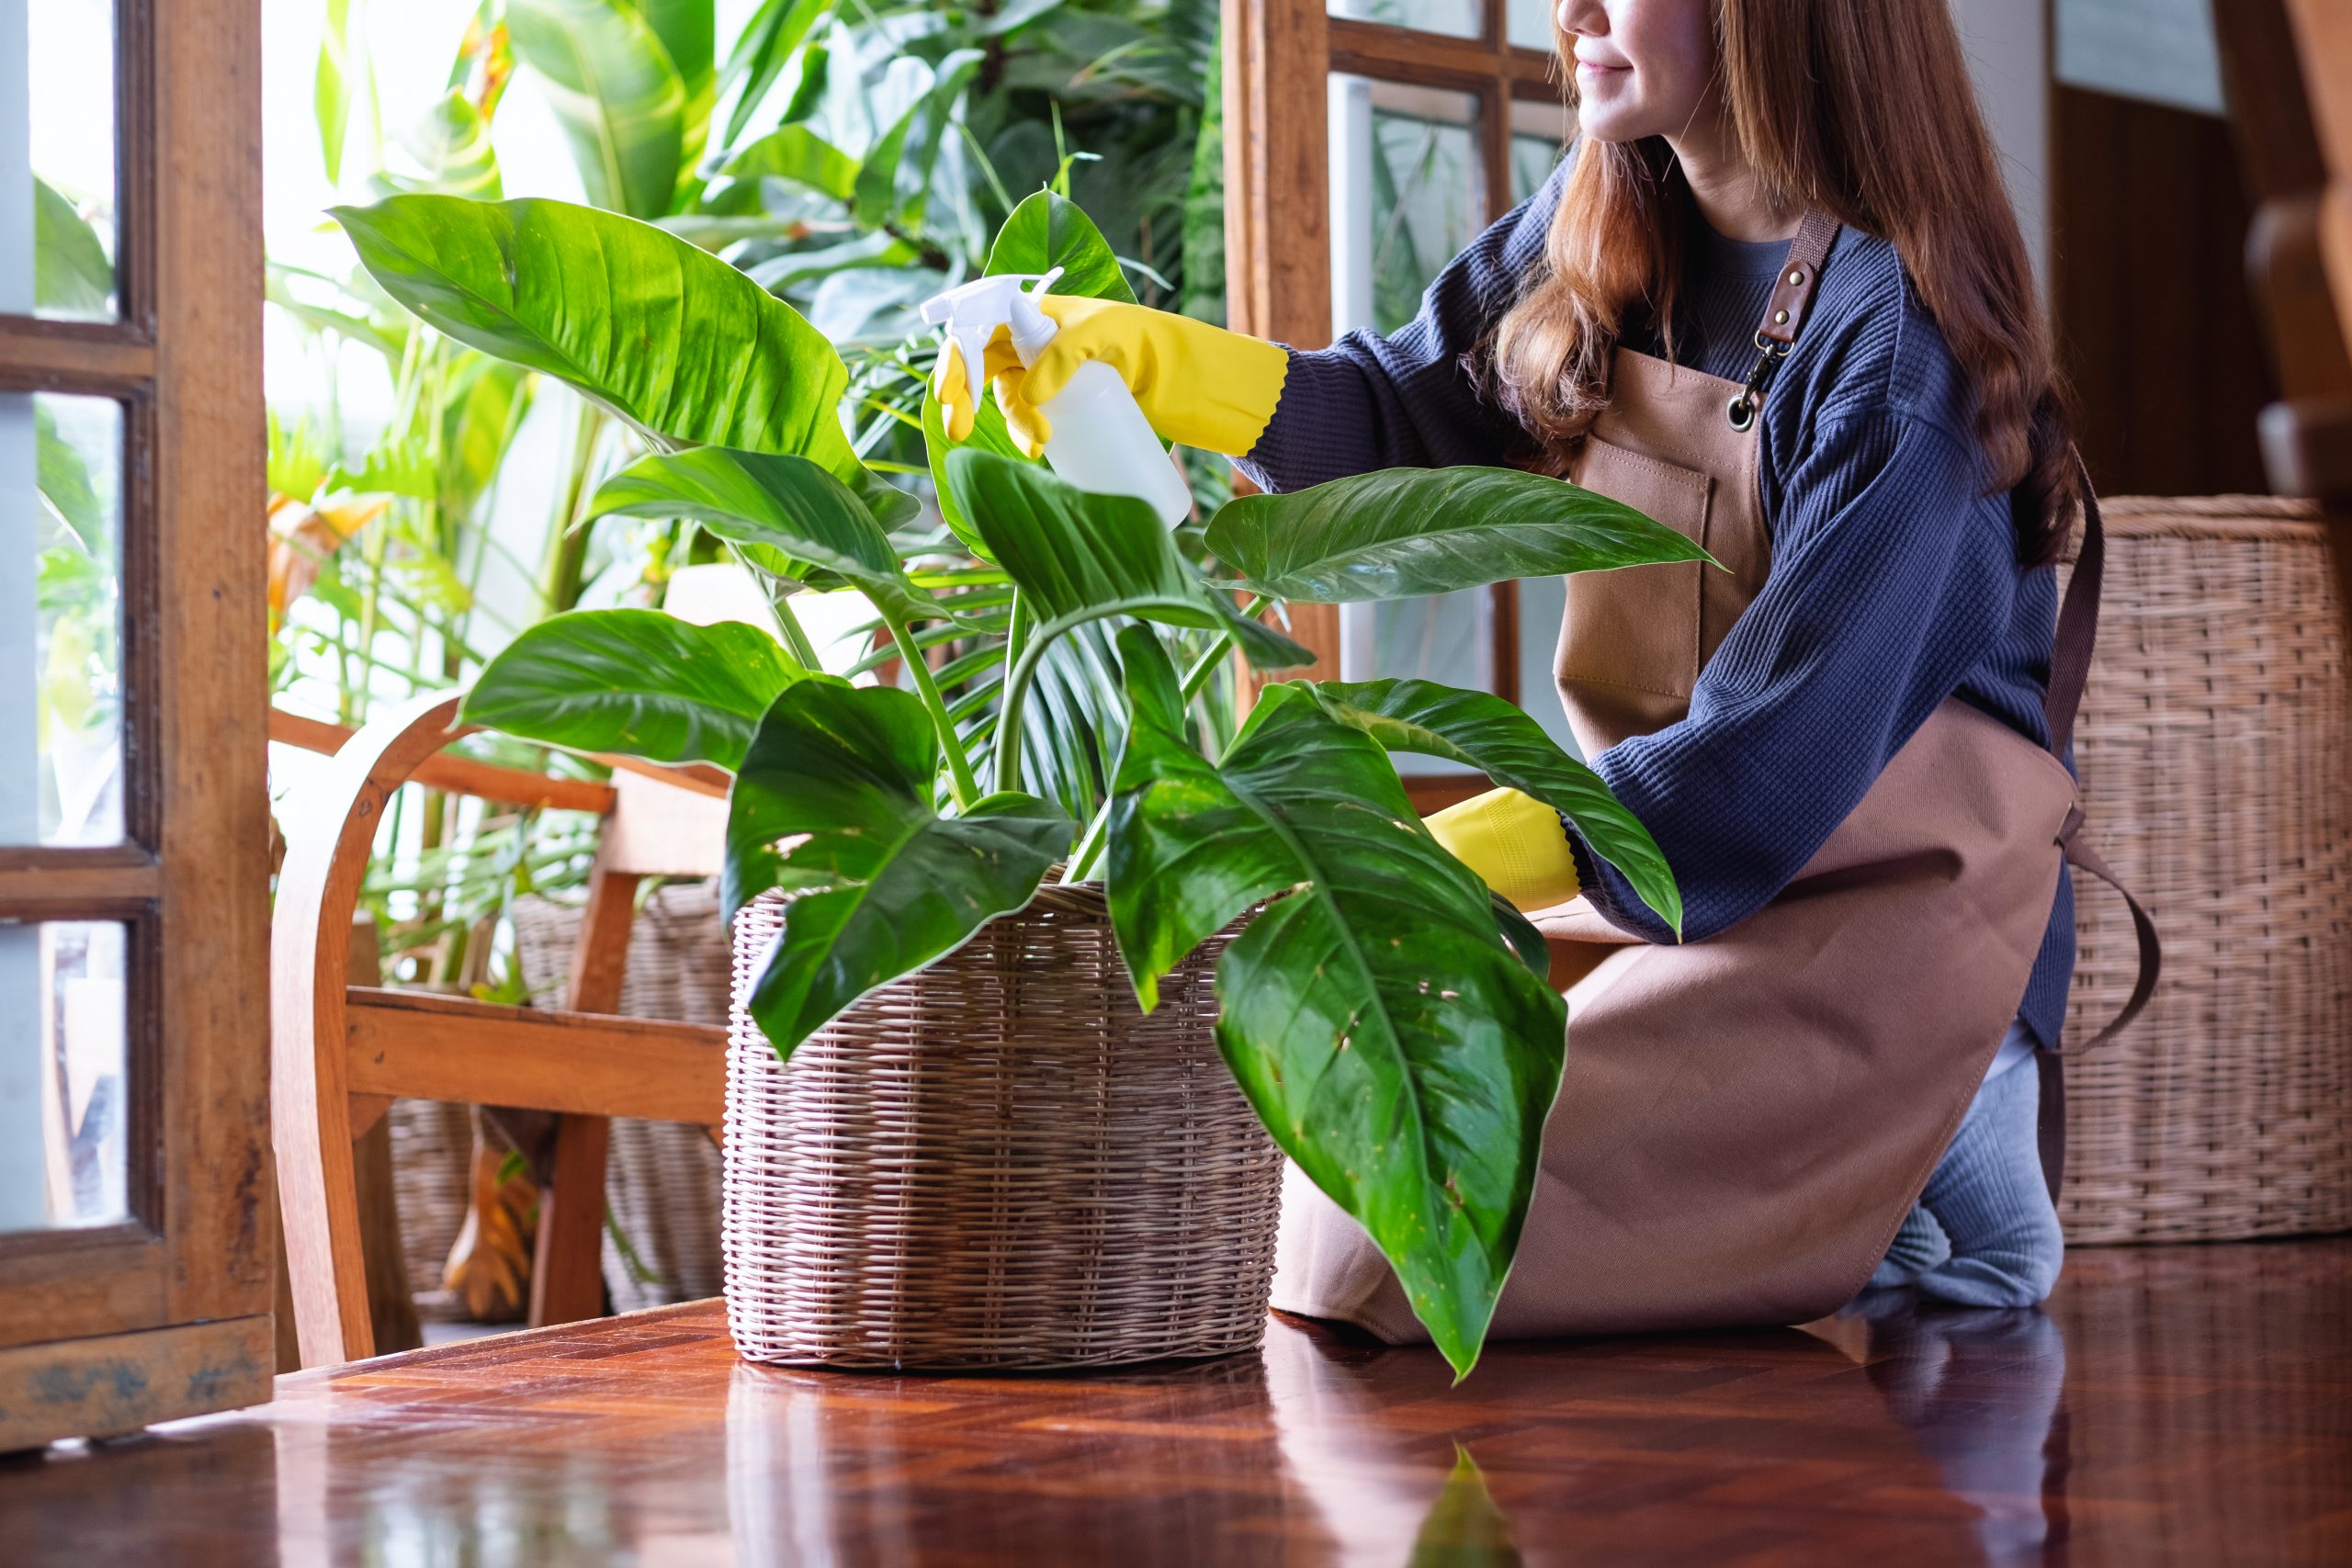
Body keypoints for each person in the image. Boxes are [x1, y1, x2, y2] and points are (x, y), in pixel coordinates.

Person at [938, 0, 2133, 1334]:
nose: (1570, 16)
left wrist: (1409, 868)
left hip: (1882, 914)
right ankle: (1852, 1218)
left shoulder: (1895, 358)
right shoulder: (1618, 214)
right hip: (1663, 891)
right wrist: (1143, 363)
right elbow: (1404, 410)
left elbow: (1756, 772)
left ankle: (1952, 1171)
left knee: (1388, 1238)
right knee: (1316, 1143)